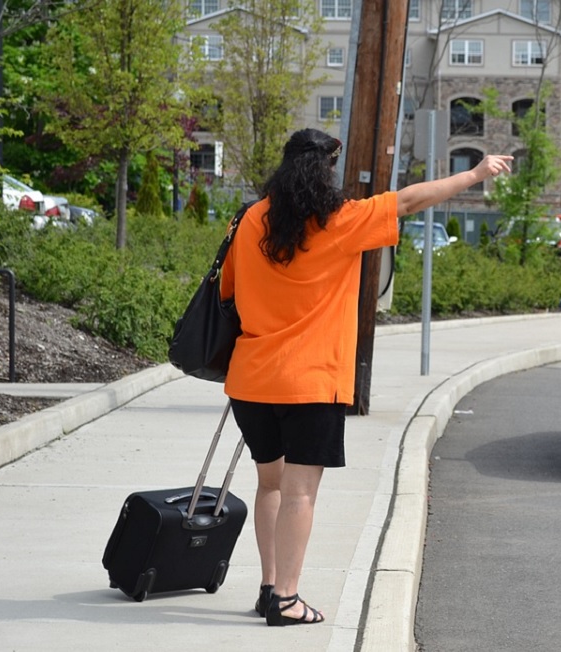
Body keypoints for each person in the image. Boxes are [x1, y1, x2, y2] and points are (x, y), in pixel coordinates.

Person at [219, 128, 511, 626]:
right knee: (300, 492)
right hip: (311, 382)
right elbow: (412, 199)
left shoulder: (248, 221)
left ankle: (269, 588)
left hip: (251, 379)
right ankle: (287, 600)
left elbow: (228, 293)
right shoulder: (341, 221)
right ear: (325, 172)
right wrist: (475, 173)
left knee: (269, 484)